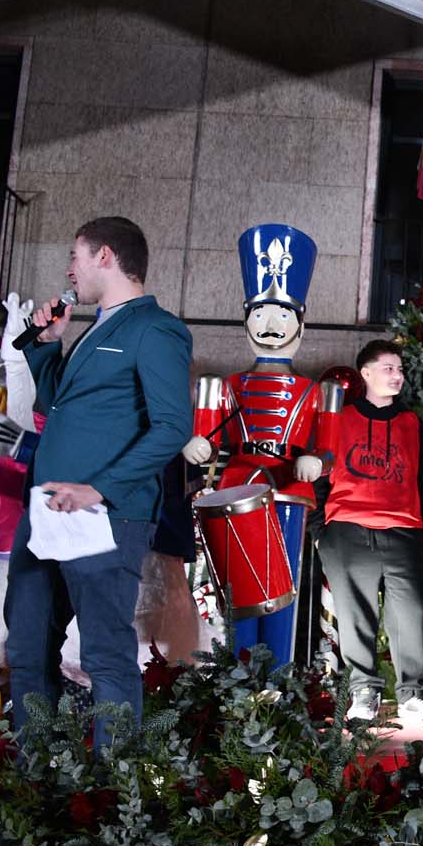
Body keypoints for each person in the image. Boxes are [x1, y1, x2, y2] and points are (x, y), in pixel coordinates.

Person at [5, 216, 192, 748]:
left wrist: (101, 489)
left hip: (105, 514)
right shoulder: (96, 329)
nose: (69, 270)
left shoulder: (154, 329)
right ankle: (34, 776)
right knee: (28, 645)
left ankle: (115, 795)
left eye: (74, 257)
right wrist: (45, 344)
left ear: (104, 256)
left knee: (105, 653)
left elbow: (174, 426)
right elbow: (56, 402)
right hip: (49, 508)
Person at [180, 223, 338, 667]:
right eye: (261, 314)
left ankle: (280, 686)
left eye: (283, 315)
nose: (270, 325)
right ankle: (240, 685)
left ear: (300, 325)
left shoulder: (319, 392)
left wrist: (315, 460)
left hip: (288, 491)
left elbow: (329, 452)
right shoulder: (222, 385)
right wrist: (196, 447)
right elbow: (208, 442)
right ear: (245, 318)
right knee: (239, 592)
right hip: (237, 491)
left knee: (281, 589)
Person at [319, 339, 423, 726]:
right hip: (347, 527)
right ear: (366, 373)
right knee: (355, 615)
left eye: (400, 369)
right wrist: (318, 530)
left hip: (403, 529)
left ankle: (413, 695)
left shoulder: (411, 422)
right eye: (388, 368)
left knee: (411, 613)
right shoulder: (339, 417)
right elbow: (320, 472)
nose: (397, 375)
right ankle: (364, 693)